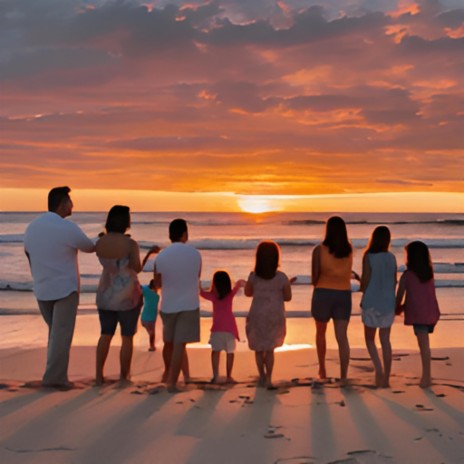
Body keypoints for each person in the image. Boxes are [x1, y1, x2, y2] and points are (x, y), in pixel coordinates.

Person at [24, 186, 95, 389]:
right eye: (70, 201)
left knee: (55, 334)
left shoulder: (33, 226)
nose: (73, 205)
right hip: (64, 288)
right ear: (62, 203)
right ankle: (55, 379)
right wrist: (102, 238)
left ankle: (53, 374)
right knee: (61, 335)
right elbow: (89, 247)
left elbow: (28, 253)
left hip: (42, 287)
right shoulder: (66, 227)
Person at [95, 205, 158, 386]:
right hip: (127, 296)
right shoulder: (130, 244)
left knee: (105, 334)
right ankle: (124, 376)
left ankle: (99, 376)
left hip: (105, 293)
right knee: (127, 336)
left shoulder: (101, 242)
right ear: (126, 222)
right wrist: (148, 255)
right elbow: (136, 268)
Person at [154, 218, 202, 392]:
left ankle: (168, 374)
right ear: (185, 234)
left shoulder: (161, 256)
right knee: (180, 344)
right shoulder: (195, 254)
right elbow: (196, 277)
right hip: (189, 303)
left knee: (169, 342)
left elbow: (157, 284)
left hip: (168, 304)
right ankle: (173, 383)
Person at [311, 216, 353, 385]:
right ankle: (343, 375)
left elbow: (315, 276)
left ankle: (322, 369)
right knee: (342, 337)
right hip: (343, 294)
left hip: (323, 292)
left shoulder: (319, 250)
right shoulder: (349, 250)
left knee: (321, 333)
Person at [245, 241, 292, 389]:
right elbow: (287, 297)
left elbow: (248, 293)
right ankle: (269, 379)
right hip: (274, 315)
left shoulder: (253, 276)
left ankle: (262, 375)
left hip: (257, 314)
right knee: (270, 349)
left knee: (259, 349)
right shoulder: (281, 277)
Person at [395, 241, 440, 388]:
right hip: (431, 312)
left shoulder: (407, 275)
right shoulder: (428, 274)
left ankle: (427, 377)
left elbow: (400, 295)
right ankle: (427, 376)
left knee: (424, 345)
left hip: (419, 314)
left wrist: (398, 308)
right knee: (424, 344)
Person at [360, 226, 397, 388]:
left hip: (371, 301)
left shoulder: (368, 256)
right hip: (388, 301)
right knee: (385, 340)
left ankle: (378, 369)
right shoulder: (392, 257)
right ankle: (387, 378)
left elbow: (366, 282)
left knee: (369, 339)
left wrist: (358, 283)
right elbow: (393, 280)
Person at [200, 271, 245, 383]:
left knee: (216, 351)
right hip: (230, 329)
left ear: (214, 284)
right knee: (230, 352)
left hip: (217, 329)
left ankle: (216, 375)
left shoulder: (213, 296)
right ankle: (229, 376)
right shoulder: (230, 295)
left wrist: (198, 283)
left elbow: (201, 293)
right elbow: (237, 286)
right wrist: (240, 282)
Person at [141, 279, 160, 351]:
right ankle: (152, 346)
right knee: (152, 333)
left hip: (148, 317)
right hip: (147, 317)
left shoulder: (146, 289)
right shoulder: (156, 294)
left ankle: (152, 346)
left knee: (152, 333)